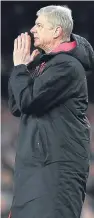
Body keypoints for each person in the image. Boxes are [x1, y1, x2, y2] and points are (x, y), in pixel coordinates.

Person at [8, 5, 94, 218]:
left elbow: (28, 101)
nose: (32, 30)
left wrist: (19, 67)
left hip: (54, 170)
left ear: (57, 31)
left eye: (39, 25)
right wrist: (25, 68)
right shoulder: (46, 65)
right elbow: (17, 106)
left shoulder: (67, 66)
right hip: (38, 170)